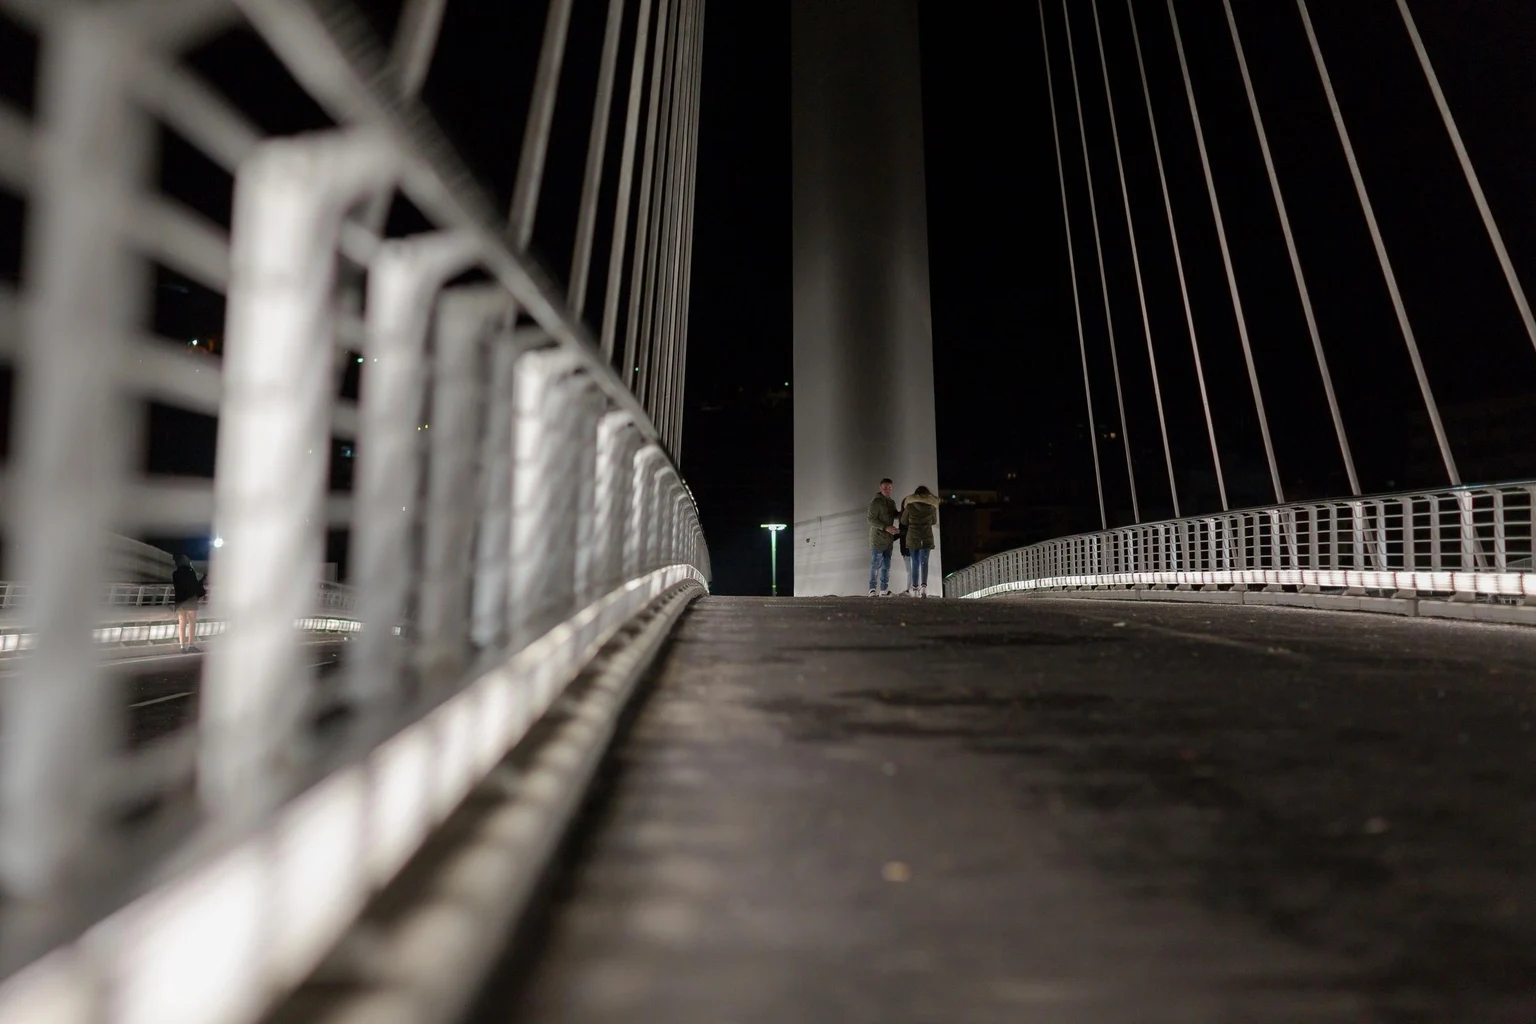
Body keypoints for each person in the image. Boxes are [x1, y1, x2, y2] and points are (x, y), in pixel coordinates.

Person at [899, 485, 940, 597]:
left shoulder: (910, 507)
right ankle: (924, 588)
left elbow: (903, 521)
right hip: (926, 537)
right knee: (924, 562)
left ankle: (915, 589)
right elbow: (933, 521)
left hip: (913, 537)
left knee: (915, 562)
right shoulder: (931, 507)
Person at [866, 477, 900, 597]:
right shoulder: (876, 502)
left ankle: (884, 590)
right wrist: (886, 527)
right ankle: (872, 589)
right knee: (876, 564)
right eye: (885, 488)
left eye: (889, 488)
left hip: (888, 540)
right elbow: (870, 519)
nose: (887, 490)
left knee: (886, 565)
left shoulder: (891, 502)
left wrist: (904, 513)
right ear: (881, 488)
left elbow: (895, 514)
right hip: (878, 539)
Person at [172, 554, 206, 653]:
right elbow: (195, 585)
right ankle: (191, 645)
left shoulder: (175, 574)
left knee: (182, 624)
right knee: (192, 623)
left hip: (180, 601)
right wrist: (203, 578)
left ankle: (182, 646)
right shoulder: (190, 572)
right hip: (190, 600)